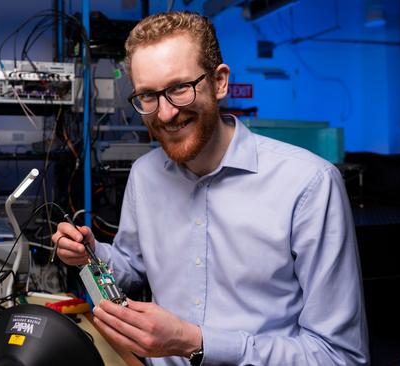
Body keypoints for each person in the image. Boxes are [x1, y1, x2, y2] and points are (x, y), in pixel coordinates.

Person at [52, 11, 368, 365]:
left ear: (220, 82)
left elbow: (340, 357)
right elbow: (131, 266)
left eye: (179, 89)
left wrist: (196, 342)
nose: (166, 114)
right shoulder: (145, 175)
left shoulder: (309, 185)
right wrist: (93, 255)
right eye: (148, 96)